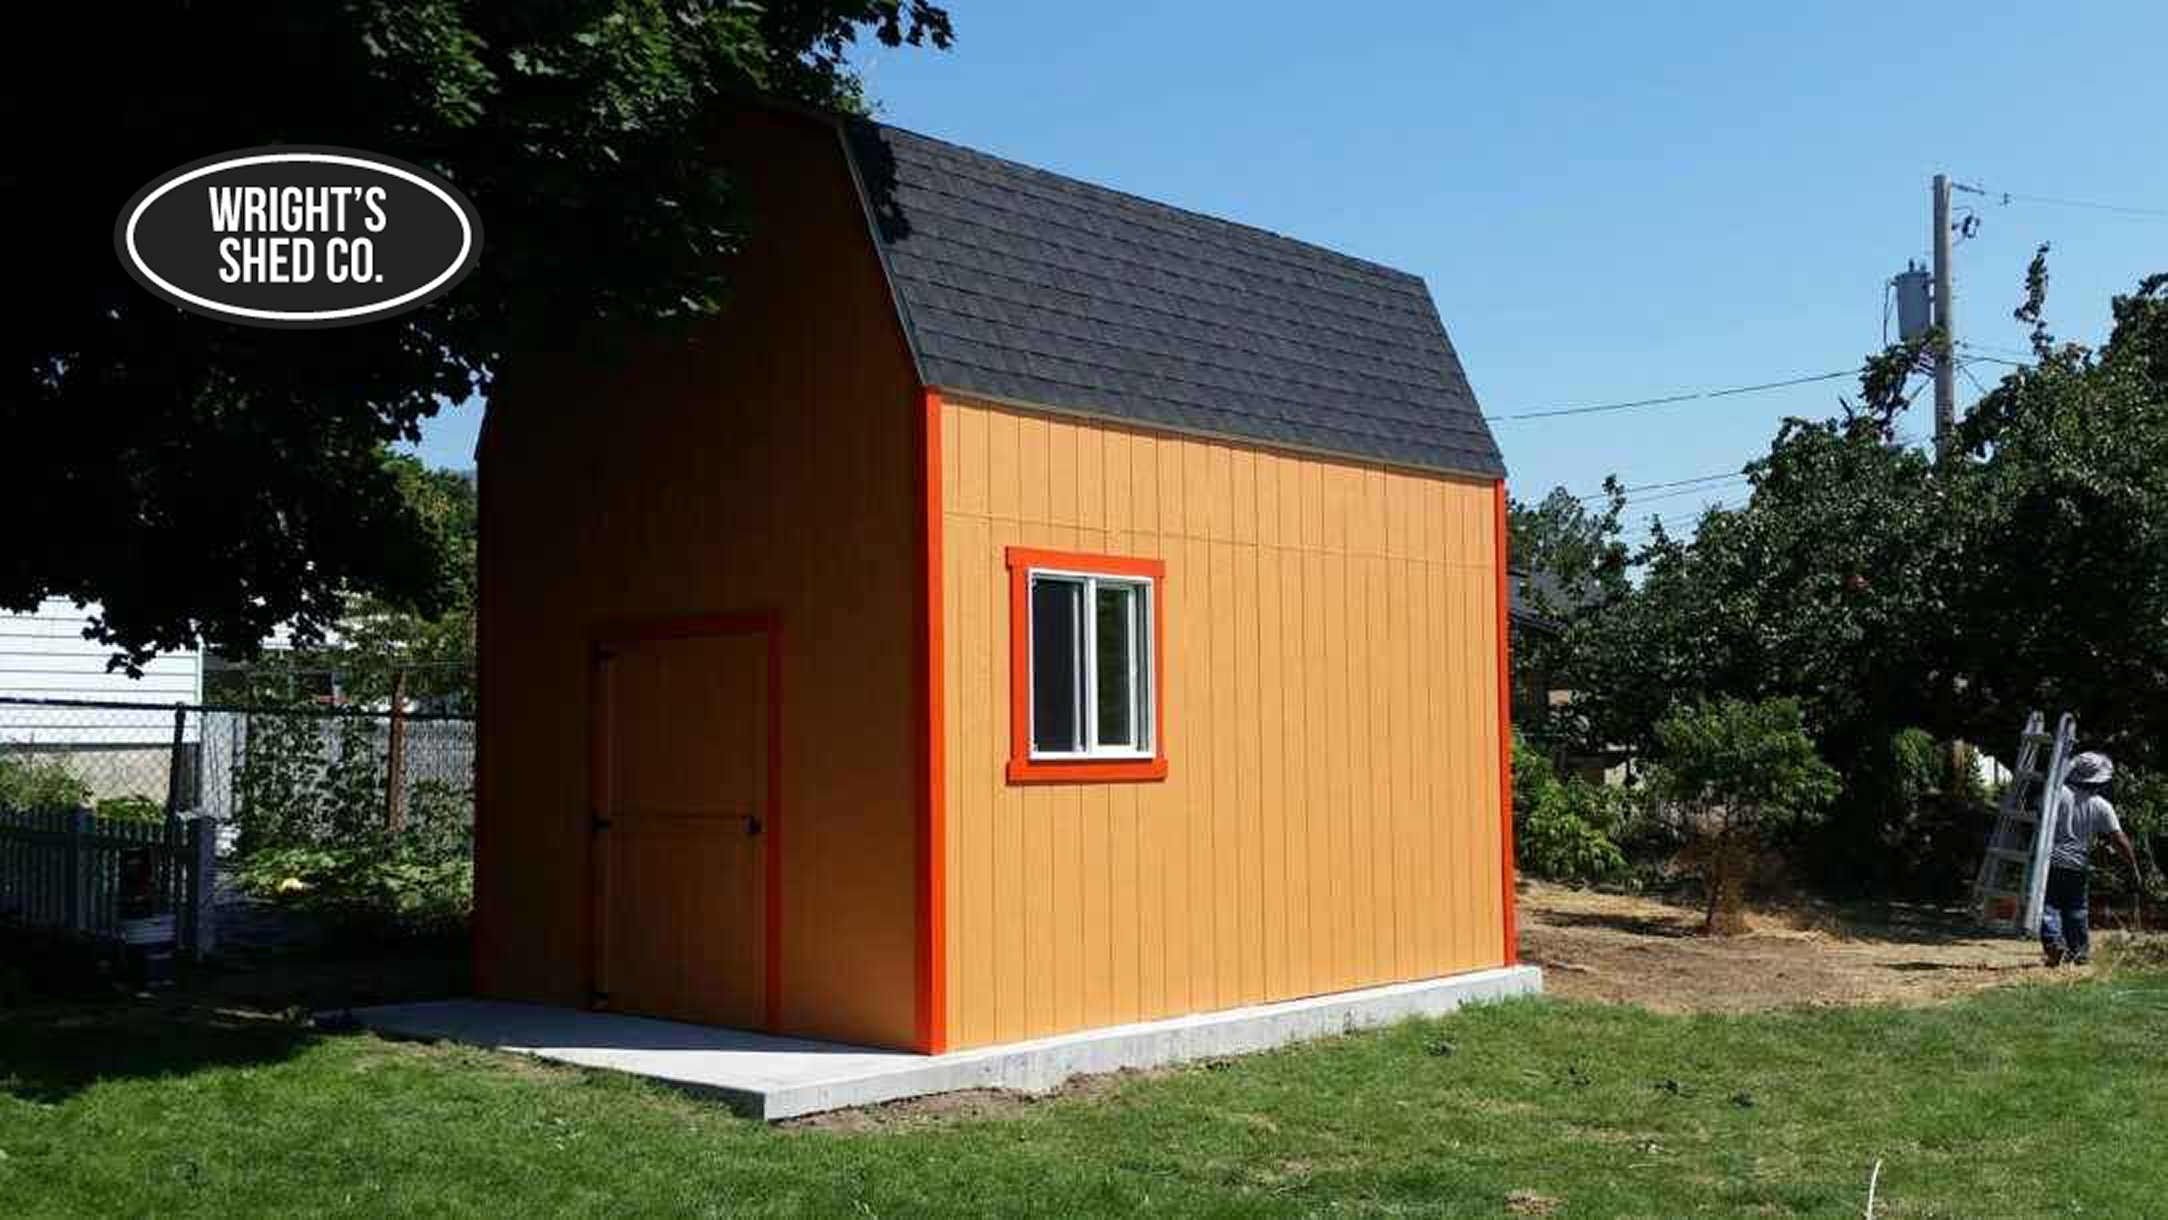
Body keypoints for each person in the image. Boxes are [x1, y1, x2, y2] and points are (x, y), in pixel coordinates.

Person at [2040, 751, 2141, 966]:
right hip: (2077, 865)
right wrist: (2133, 867)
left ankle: (2054, 943)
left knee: (2048, 906)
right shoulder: (2102, 806)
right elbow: (2119, 839)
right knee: (2076, 909)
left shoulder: (2056, 794)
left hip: (2049, 862)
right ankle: (2079, 952)